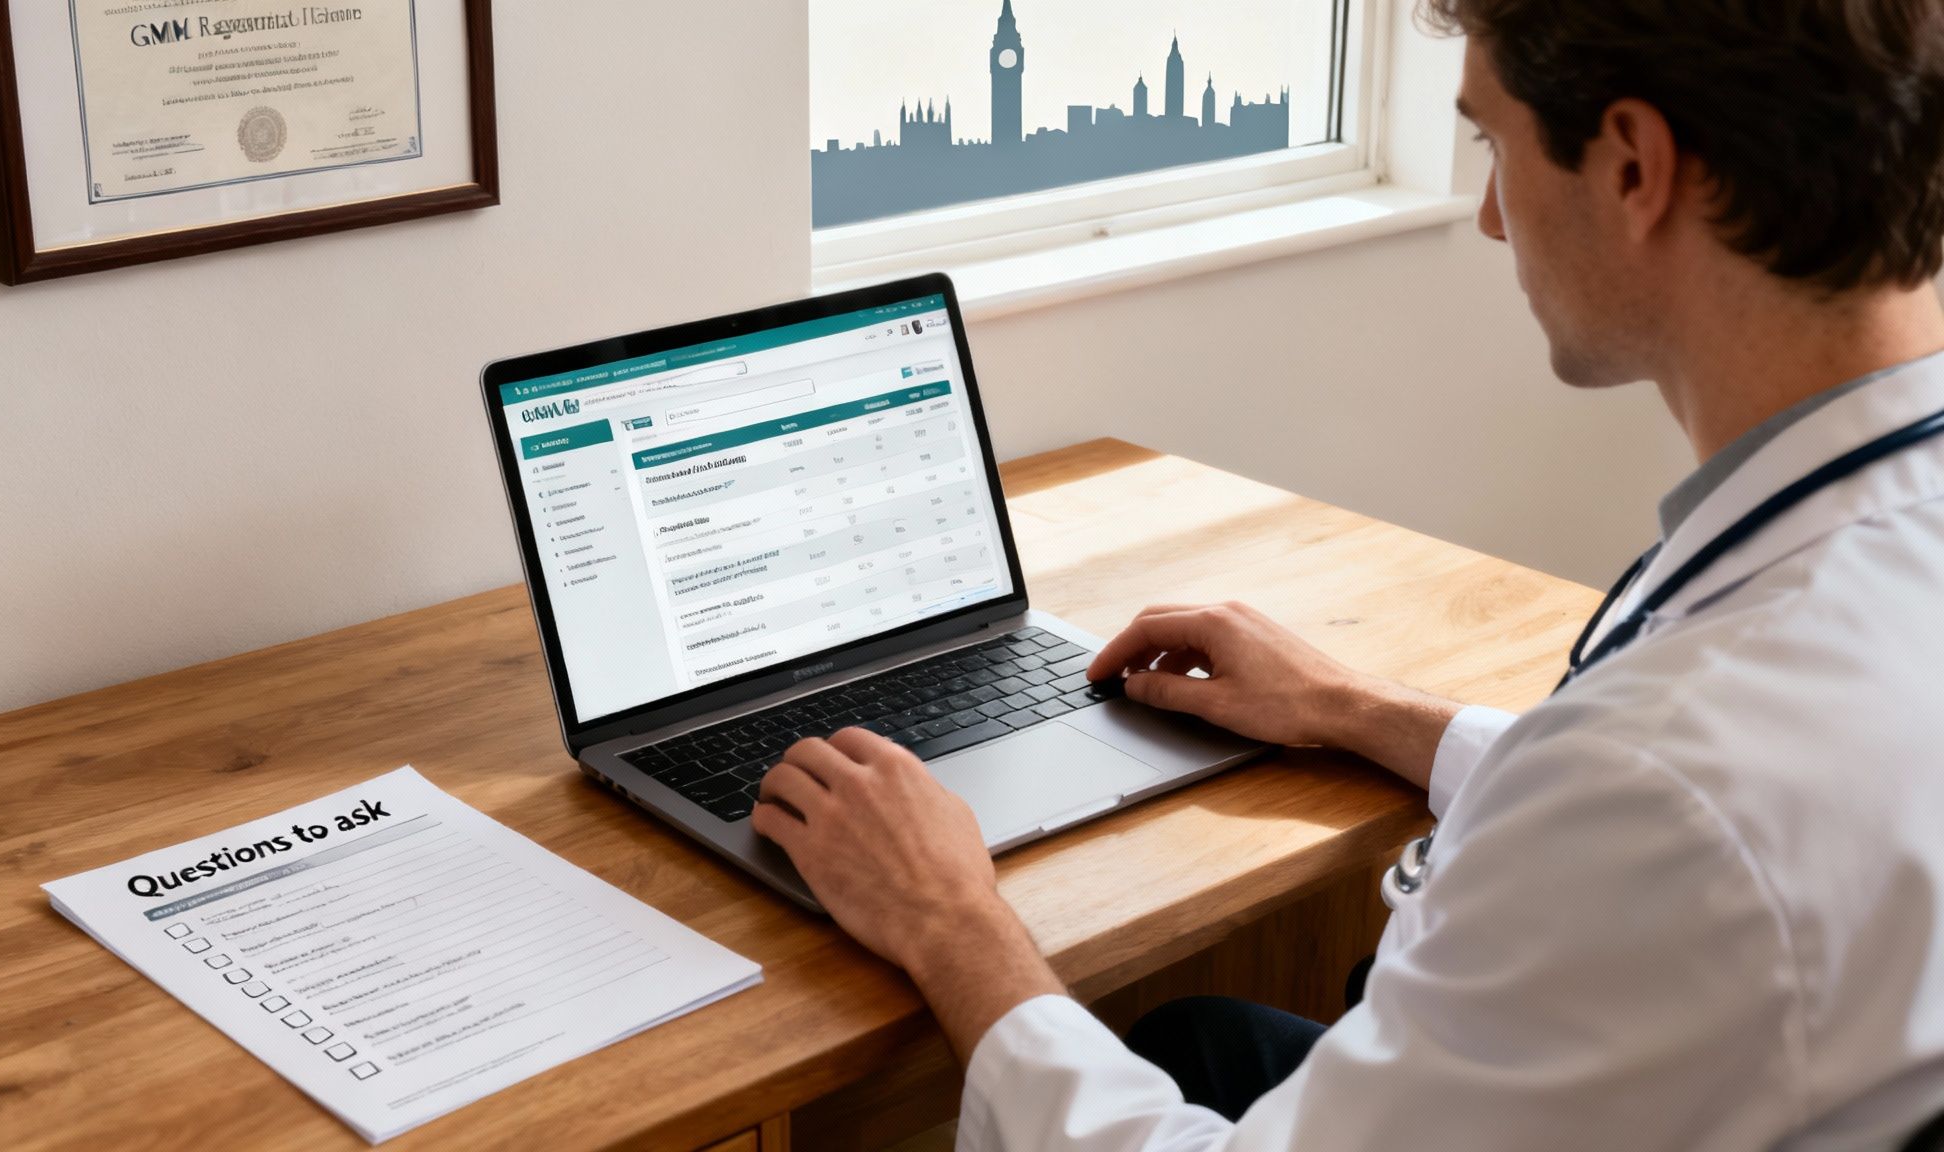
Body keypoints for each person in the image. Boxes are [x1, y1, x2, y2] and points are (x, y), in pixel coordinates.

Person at [750, 0, 1944, 1147]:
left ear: (1631, 166)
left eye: (1491, 140)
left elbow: (1648, 814)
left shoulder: (1662, 783)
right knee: (1197, 1042)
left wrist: (950, 921)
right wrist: (1359, 711)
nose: (1486, 215)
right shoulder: (1864, 552)